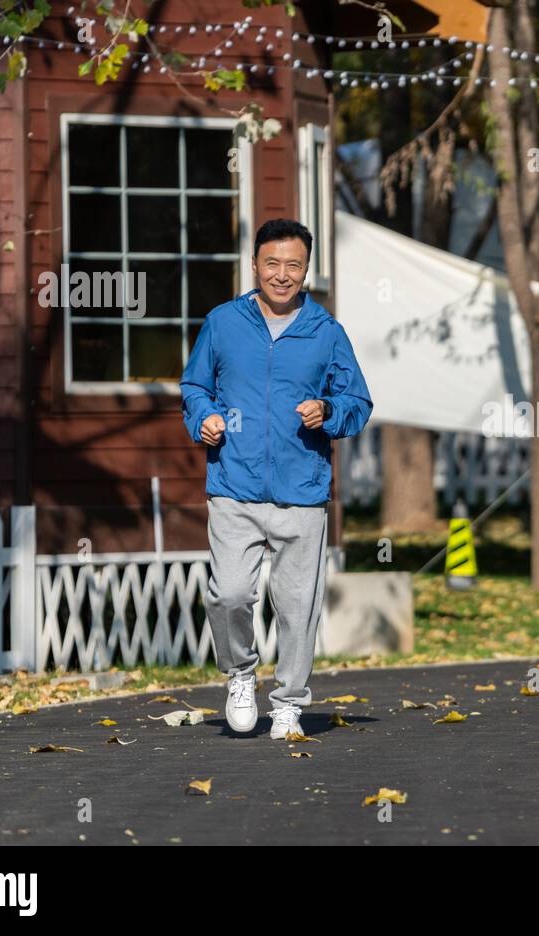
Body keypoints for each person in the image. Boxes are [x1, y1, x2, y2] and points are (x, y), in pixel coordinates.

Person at [180, 219, 373, 740]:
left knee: (296, 608)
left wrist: (328, 410)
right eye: (273, 263)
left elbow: (358, 403)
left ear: (306, 269)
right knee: (228, 595)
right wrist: (204, 418)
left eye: (293, 265)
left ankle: (288, 700)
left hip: (301, 491)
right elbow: (194, 386)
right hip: (233, 484)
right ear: (255, 265)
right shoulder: (222, 323)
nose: (282, 275)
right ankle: (241, 675)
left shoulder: (326, 331)